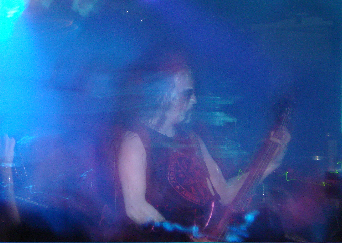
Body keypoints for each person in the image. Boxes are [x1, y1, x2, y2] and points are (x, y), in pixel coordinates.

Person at [117, 60, 290, 240]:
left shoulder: (193, 141)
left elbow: (225, 193)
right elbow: (135, 208)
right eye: (188, 93)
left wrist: (270, 163)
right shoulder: (136, 140)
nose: (194, 100)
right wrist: (186, 238)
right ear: (165, 94)